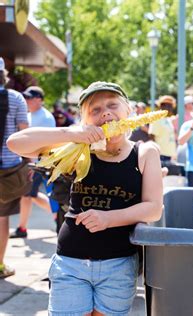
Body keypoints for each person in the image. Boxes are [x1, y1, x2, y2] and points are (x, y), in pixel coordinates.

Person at [7, 81, 163, 315]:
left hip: (118, 264)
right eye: (95, 110)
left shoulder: (144, 152)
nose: (106, 112)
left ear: (128, 110)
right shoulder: (74, 148)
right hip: (70, 261)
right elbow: (15, 143)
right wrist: (70, 132)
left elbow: (153, 209)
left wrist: (108, 218)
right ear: (85, 120)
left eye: (112, 105)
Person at [10, 86, 57, 239]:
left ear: (39, 99)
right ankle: (57, 215)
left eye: (30, 97)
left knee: (29, 195)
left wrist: (35, 163)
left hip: (39, 162)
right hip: (30, 162)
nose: (27, 100)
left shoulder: (46, 117)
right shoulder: (29, 116)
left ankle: (58, 215)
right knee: (30, 195)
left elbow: (49, 143)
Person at [0, 57, 29, 278]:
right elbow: (24, 134)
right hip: (8, 168)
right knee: (2, 217)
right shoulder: (16, 98)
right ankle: (0, 265)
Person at [149, 96, 178, 162]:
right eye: (165, 105)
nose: (168, 107)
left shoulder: (168, 120)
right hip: (161, 156)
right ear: (161, 106)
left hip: (169, 156)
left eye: (170, 105)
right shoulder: (156, 119)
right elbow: (151, 137)